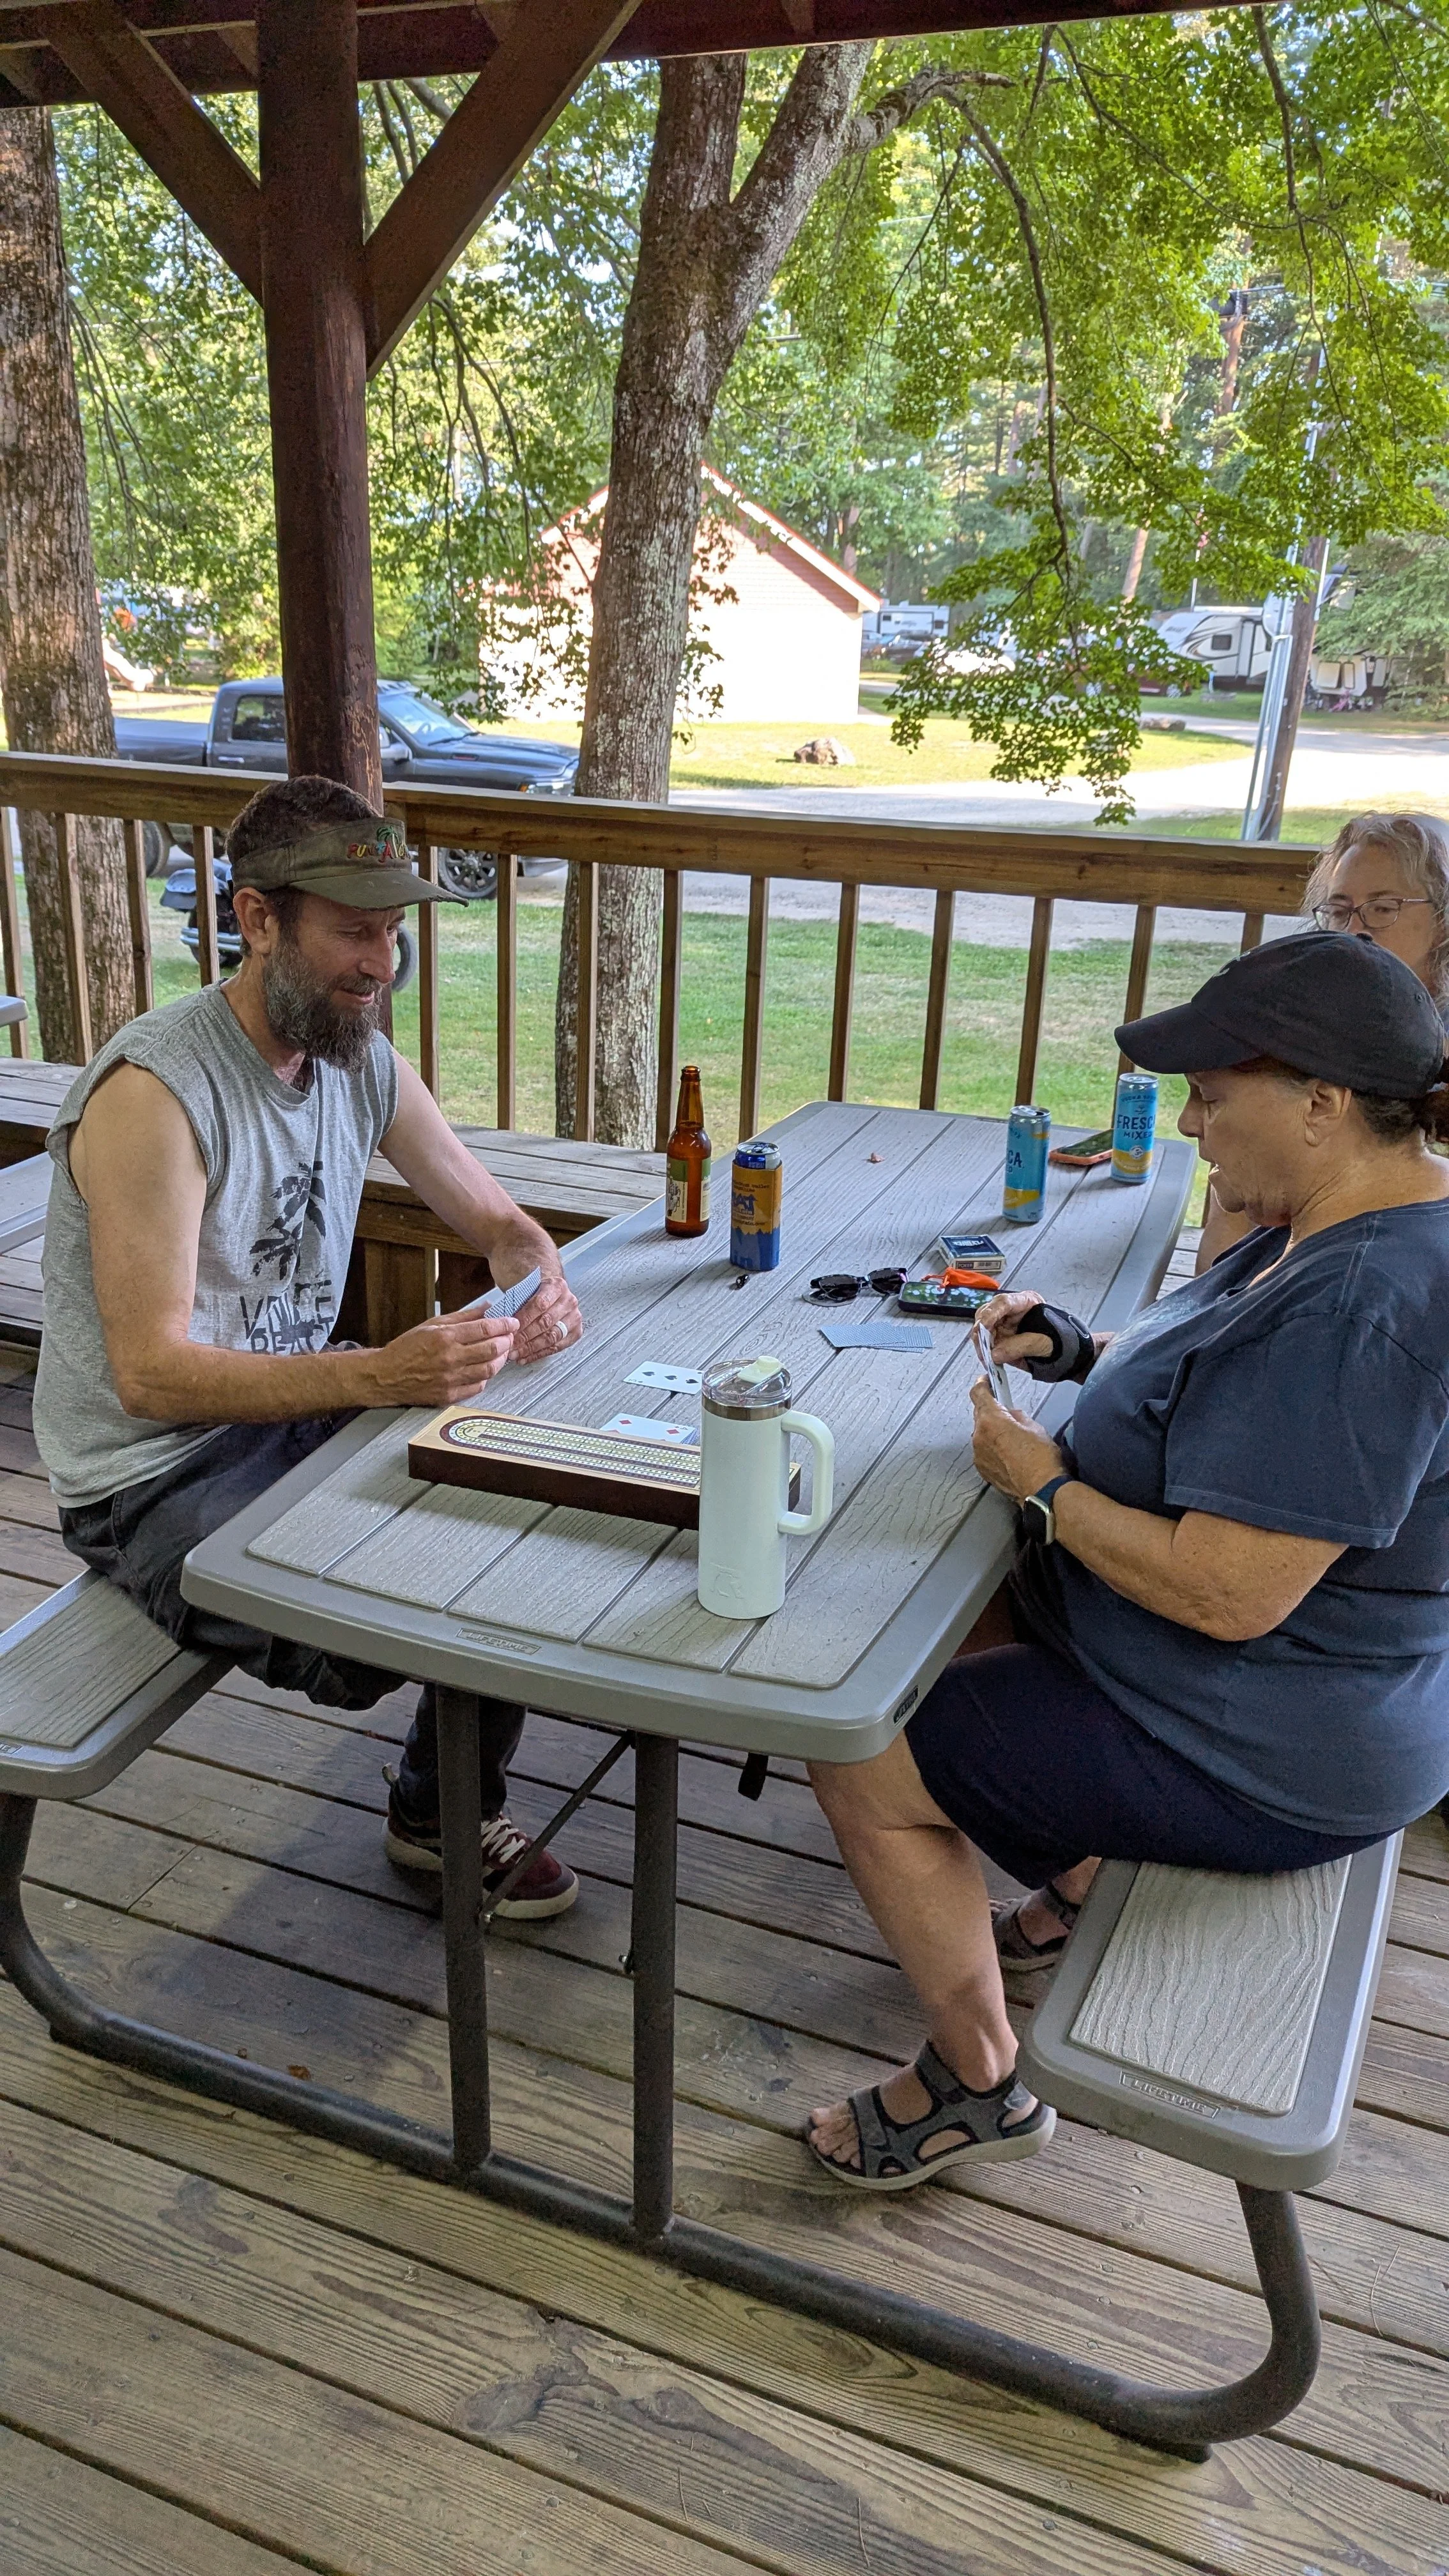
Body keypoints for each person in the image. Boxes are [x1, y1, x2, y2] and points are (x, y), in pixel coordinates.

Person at [805, 931, 1449, 2190]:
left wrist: (1044, 1486)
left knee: (858, 1742)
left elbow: (1230, 1592)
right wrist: (1084, 1353)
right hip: (1275, 1687)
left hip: (1269, 1744)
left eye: (1212, 1095)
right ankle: (1077, 1882)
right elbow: (1237, 1400)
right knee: (925, 1622)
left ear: (1320, 1104)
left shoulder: (1358, 1307)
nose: (1193, 1125)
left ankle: (975, 2079)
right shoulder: (1347, 1218)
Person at [34, 772, 584, 1916]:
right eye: (353, 931)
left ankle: (437, 1811)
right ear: (257, 918)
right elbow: (148, 1377)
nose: (382, 963)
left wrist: (540, 1277)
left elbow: (495, 1220)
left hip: (290, 1414)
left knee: (520, 1501)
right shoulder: (155, 1094)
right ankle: (439, 1815)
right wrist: (382, 1373)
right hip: (151, 1476)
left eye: (392, 931)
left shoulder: (357, 1056)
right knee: (405, 1606)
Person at [1197, 809, 1449, 1268]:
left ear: (1444, 923)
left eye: (1383, 908)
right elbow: (1226, 1239)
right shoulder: (1309, 1023)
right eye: (1339, 910)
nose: (1354, 931)